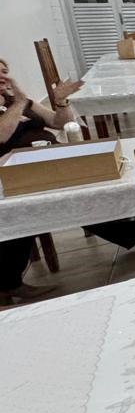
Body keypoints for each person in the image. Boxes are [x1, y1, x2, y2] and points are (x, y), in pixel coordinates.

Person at [0, 57, 84, 303]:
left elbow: (60, 122)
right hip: (15, 174)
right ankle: (8, 284)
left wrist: (61, 101)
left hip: (48, 161)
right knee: (69, 198)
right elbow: (2, 136)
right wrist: (18, 102)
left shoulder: (20, 102)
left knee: (89, 183)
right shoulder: (17, 103)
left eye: (5, 71)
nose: (3, 77)